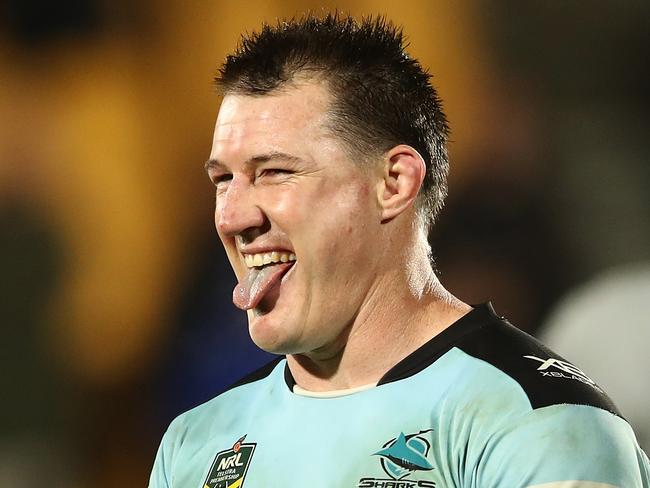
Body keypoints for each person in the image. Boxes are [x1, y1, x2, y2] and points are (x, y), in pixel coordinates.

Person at [149, 14, 650, 487]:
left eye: (275, 172)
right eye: (222, 180)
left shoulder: (537, 422)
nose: (233, 216)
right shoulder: (195, 442)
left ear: (393, 182)